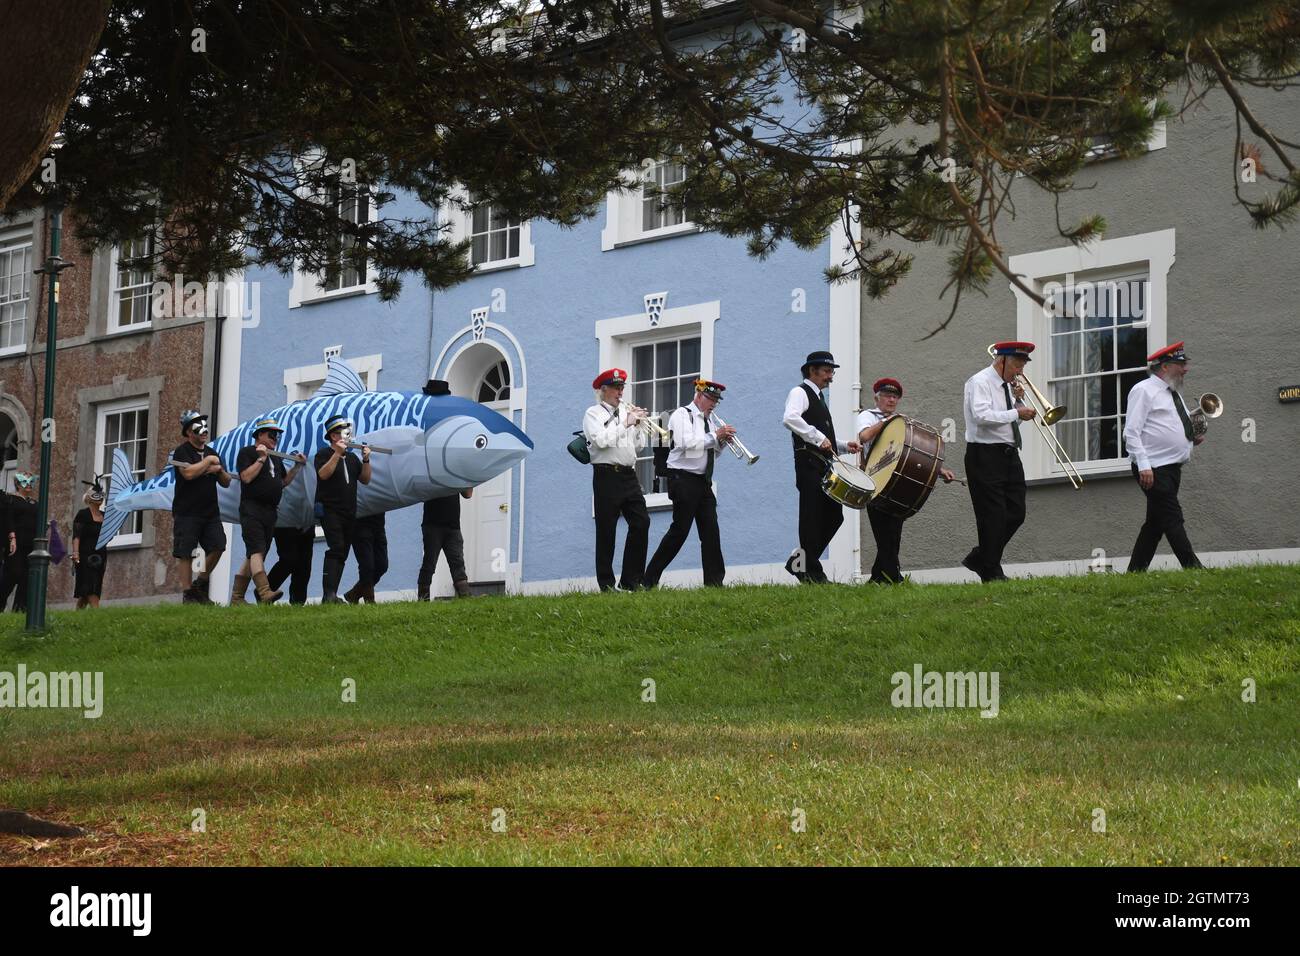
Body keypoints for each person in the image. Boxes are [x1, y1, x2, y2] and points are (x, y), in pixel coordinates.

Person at [855, 377, 958, 584]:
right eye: (887, 396)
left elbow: (911, 454)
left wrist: (939, 470)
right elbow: (864, 436)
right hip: (875, 482)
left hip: (894, 483)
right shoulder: (868, 416)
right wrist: (886, 422)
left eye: (895, 397)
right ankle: (894, 578)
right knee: (885, 534)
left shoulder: (899, 423)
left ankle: (878, 578)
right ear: (877, 398)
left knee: (892, 533)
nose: (891, 400)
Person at [643, 379, 736, 588]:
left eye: (716, 400)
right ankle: (649, 579)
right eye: (710, 398)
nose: (713, 404)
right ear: (698, 395)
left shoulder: (710, 421)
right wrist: (715, 436)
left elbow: (711, 454)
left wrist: (721, 442)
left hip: (703, 482)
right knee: (680, 531)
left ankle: (714, 583)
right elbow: (686, 444)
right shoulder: (682, 415)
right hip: (682, 478)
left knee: (711, 531)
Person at [1123, 341, 1205, 572]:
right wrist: (1144, 466)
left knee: (1155, 525)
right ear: (1165, 366)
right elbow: (1131, 431)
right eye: (1181, 364)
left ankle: (1135, 572)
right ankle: (1193, 568)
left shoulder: (1172, 393)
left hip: (1170, 468)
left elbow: (1171, 426)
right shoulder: (1143, 390)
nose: (1185, 368)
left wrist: (1192, 437)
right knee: (1172, 517)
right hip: (1153, 468)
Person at [960, 342, 1038, 582]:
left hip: (1009, 454)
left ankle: (980, 557)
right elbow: (981, 417)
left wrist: (1018, 404)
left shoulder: (1008, 386)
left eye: (1023, 365)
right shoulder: (980, 382)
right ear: (1001, 360)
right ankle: (992, 571)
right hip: (984, 455)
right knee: (991, 515)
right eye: (1017, 364)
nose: (1019, 371)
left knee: (1016, 512)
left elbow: (1011, 423)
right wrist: (1016, 413)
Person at [782, 351, 861, 583]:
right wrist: (817, 436)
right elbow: (790, 418)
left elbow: (824, 439)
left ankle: (799, 564)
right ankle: (811, 573)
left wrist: (846, 446)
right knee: (811, 519)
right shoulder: (800, 392)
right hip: (808, 465)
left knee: (834, 516)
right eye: (827, 371)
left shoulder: (818, 398)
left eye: (832, 372)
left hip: (821, 465)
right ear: (811, 371)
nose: (831, 377)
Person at [582, 368, 651, 592]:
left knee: (641, 522)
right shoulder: (593, 414)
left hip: (628, 475)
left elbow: (637, 447)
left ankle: (631, 580)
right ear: (603, 390)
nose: (620, 392)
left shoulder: (626, 413)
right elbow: (601, 441)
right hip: (606, 475)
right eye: (616, 388)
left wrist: (640, 427)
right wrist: (626, 424)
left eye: (622, 388)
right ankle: (607, 584)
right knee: (606, 530)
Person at [231, 417, 306, 604]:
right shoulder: (248, 452)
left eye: (277, 435)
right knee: (256, 550)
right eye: (272, 434)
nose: (276, 438)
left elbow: (282, 483)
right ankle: (264, 591)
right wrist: (261, 459)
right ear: (260, 435)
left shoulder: (276, 457)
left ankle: (237, 597)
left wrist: (296, 467)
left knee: (255, 553)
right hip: (252, 508)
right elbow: (246, 477)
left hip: (270, 511)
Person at [172, 409, 233, 604]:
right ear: (189, 432)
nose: (204, 431)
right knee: (186, 552)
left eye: (205, 426)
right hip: (187, 512)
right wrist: (207, 463)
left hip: (210, 512)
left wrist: (219, 469)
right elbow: (188, 474)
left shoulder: (212, 452)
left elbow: (226, 482)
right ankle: (188, 593)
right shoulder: (182, 451)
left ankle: (200, 583)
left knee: (218, 545)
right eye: (199, 427)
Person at [315, 415, 371, 603]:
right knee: (336, 547)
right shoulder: (323, 454)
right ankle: (328, 594)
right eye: (342, 433)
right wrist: (337, 454)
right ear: (333, 436)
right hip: (330, 509)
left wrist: (365, 460)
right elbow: (323, 474)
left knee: (343, 551)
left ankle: (332, 594)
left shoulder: (352, 458)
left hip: (349, 511)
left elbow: (365, 479)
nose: (346, 436)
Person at [418, 489, 473, 599]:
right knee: (429, 563)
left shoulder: (458, 474)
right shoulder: (431, 472)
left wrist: (467, 476)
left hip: (453, 525)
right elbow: (421, 492)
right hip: (432, 524)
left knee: (458, 563)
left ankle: (465, 596)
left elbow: (468, 494)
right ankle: (423, 598)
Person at [0, 471, 39, 612]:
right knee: (13, 573)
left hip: (31, 543)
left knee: (27, 577)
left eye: (31, 482)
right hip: (16, 543)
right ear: (17, 483)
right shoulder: (10, 500)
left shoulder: (34, 503)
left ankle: (20, 609)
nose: (28, 485)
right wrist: (12, 538)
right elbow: (8, 519)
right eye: (24, 482)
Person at [71, 476, 110, 609]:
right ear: (89, 498)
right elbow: (76, 535)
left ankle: (77, 618)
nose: (100, 498)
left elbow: (108, 536)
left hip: (100, 555)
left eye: (101, 495)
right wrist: (75, 553)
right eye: (97, 495)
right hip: (85, 555)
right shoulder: (83, 514)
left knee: (89, 589)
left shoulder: (105, 516)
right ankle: (97, 614)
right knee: (89, 587)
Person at [267, 524, 315, 605]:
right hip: (284, 521)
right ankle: (265, 591)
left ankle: (298, 601)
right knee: (288, 560)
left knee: (304, 562)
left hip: (306, 522)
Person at [347, 513, 389, 604]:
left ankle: (354, 594)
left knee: (382, 565)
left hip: (379, 524)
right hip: (360, 523)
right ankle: (369, 600)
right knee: (367, 566)